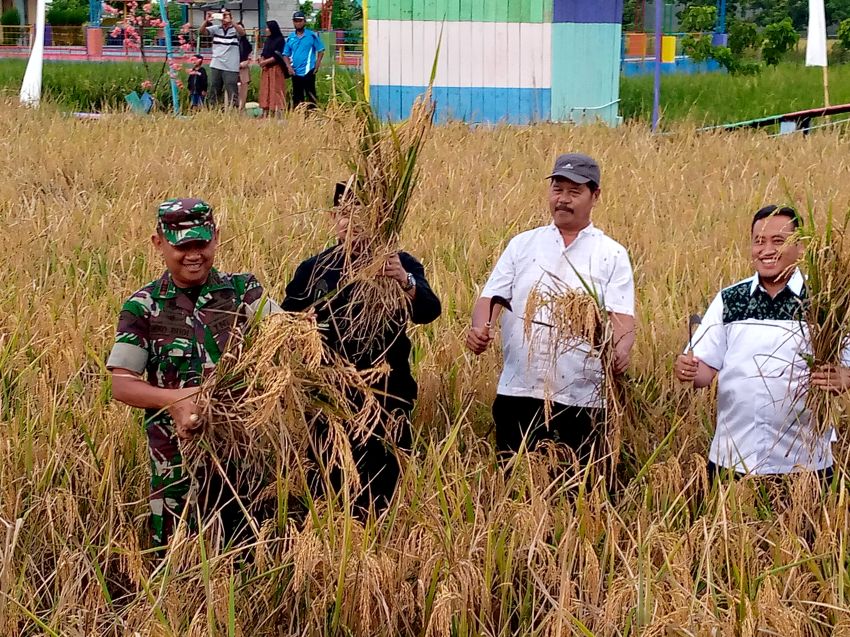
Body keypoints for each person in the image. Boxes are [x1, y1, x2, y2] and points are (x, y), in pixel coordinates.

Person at [107, 198, 281, 549]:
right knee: (179, 556)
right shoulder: (144, 306)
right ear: (159, 243)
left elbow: (286, 333)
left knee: (250, 551)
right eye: (181, 246)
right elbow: (122, 383)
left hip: (245, 457)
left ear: (216, 237)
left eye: (201, 243)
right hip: (176, 462)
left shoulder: (243, 292)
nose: (193, 255)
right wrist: (174, 400)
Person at [282, 182, 441, 513]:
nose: (350, 222)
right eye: (343, 214)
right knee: (327, 486)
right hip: (329, 397)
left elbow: (429, 311)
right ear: (331, 219)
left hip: (388, 396)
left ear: (380, 218)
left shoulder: (400, 263)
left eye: (360, 214)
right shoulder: (314, 269)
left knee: (382, 491)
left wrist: (404, 281)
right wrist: (301, 329)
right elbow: (285, 323)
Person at [466, 153, 635, 461]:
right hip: (519, 392)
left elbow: (621, 318)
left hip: (582, 397)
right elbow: (490, 298)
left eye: (574, 192)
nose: (563, 200)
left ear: (595, 196)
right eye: (558, 189)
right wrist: (480, 328)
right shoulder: (523, 245)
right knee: (515, 489)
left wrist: (620, 352)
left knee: (577, 494)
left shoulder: (611, 253)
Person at [674, 205, 850, 481]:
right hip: (733, 459)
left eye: (778, 241)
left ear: (800, 247)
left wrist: (844, 377)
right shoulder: (731, 299)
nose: (766, 250)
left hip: (805, 463)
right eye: (759, 241)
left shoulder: (825, 303)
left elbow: (846, 368)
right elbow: (704, 371)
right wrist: (687, 369)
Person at [199, 9, 245, 109]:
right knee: (214, 88)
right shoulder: (216, 28)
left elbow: (242, 33)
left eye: (226, 15)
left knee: (232, 89)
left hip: (231, 65)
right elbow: (201, 32)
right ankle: (213, 110)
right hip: (217, 63)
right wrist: (206, 21)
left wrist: (231, 22)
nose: (224, 18)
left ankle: (234, 111)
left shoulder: (235, 29)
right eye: (222, 16)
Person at [283, 10, 325, 108]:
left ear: (304, 22)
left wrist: (317, 65)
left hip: (309, 70)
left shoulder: (311, 36)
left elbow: (321, 50)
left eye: (300, 21)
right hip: (295, 71)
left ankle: (313, 116)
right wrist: (289, 67)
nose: (298, 23)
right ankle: (299, 118)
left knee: (311, 95)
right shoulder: (291, 37)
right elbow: (285, 54)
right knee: (297, 96)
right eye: (296, 21)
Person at [258, 20, 288, 116]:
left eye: (267, 28)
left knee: (276, 89)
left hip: (276, 68)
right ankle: (265, 110)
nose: (266, 30)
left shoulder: (280, 40)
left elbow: (277, 55)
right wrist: (261, 59)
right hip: (266, 69)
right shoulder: (268, 40)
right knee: (266, 89)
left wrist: (264, 62)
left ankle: (277, 111)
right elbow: (264, 52)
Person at [237, 22, 253, 110]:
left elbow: (250, 56)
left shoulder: (246, 43)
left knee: (243, 91)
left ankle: (241, 108)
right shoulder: (231, 41)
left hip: (244, 69)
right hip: (233, 68)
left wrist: (246, 62)